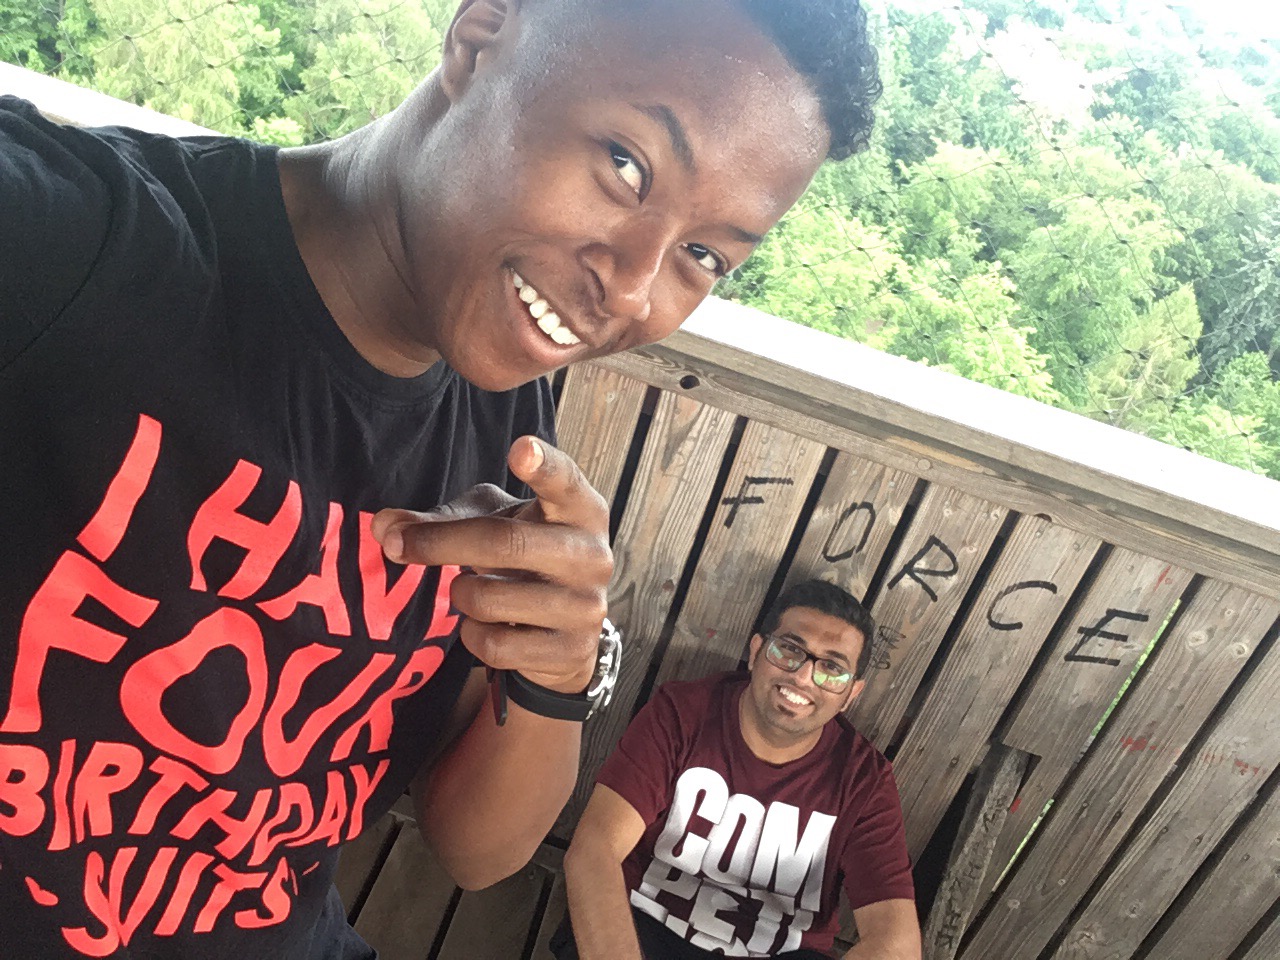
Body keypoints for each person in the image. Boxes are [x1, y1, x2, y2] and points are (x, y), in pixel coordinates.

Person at [0, 0, 880, 956]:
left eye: (703, 255)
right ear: (479, 38)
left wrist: (556, 670)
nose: (632, 289)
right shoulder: (86, 245)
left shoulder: (503, 419)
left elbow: (473, 849)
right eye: (627, 164)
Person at [558, 579, 920, 960]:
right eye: (789, 649)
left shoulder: (864, 781)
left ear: (851, 694)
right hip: (645, 935)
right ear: (756, 651)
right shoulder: (681, 715)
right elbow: (593, 852)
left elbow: (896, 944)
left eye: (832, 668)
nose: (802, 677)